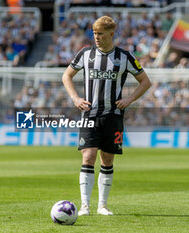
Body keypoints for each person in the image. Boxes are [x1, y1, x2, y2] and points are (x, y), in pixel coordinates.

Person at [62, 15, 151, 216]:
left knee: (107, 160)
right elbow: (66, 75)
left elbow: (145, 81)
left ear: (111, 34)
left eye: (100, 34)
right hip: (89, 115)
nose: (96, 37)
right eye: (94, 33)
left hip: (113, 116)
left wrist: (129, 100)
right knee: (88, 156)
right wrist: (75, 98)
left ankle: (102, 205)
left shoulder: (125, 57)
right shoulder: (85, 54)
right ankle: (85, 205)